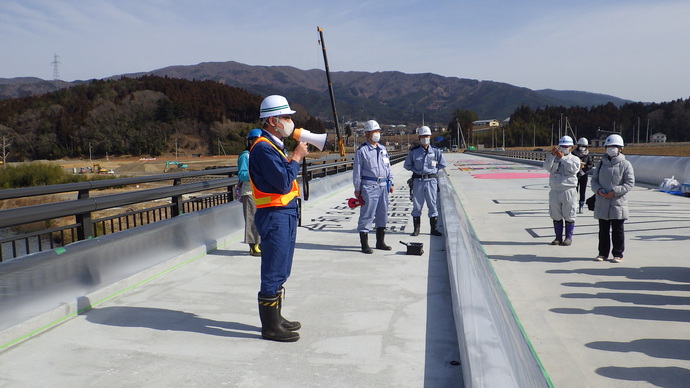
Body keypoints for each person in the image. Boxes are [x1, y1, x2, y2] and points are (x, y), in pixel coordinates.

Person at [249, 95, 308, 342]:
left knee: (282, 267)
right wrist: (296, 158)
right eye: (286, 117)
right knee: (273, 270)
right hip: (274, 214)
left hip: (284, 213)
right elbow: (283, 183)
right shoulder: (263, 148)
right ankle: (270, 327)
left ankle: (277, 318)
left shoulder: (273, 146)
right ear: (273, 120)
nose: (290, 121)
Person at [591, 134, 634, 263]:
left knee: (618, 230)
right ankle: (602, 253)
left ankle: (618, 253)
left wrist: (614, 192)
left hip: (617, 202)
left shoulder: (625, 164)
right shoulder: (600, 164)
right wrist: (598, 190)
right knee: (603, 230)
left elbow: (629, 183)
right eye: (609, 146)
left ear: (620, 148)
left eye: (614, 146)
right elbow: (594, 180)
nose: (611, 149)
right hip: (602, 200)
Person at [353, 119, 394, 254]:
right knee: (367, 214)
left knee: (382, 214)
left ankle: (380, 242)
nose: (377, 134)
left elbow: (388, 166)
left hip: (383, 185)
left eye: (378, 131)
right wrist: (357, 188)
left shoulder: (382, 149)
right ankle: (364, 244)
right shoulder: (362, 150)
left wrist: (391, 181)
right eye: (374, 131)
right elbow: (357, 171)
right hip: (369, 186)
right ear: (367, 133)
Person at [403, 125, 447, 236]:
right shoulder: (414, 151)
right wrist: (416, 170)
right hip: (418, 181)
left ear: (430, 137)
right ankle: (416, 229)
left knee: (432, 204)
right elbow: (407, 165)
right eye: (423, 136)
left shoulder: (435, 151)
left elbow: (442, 164)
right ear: (419, 137)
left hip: (431, 180)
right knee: (417, 205)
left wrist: (433, 170)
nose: (425, 138)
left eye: (427, 136)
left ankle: (434, 229)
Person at [543, 135, 581, 246]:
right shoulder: (554, 158)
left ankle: (568, 237)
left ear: (571, 148)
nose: (563, 148)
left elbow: (574, 168)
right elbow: (546, 167)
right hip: (555, 189)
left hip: (568, 189)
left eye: (566, 146)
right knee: (556, 214)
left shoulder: (574, 159)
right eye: (561, 146)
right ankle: (558, 237)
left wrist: (562, 158)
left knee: (569, 214)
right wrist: (552, 155)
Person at [237, 128, 262, 256]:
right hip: (249, 192)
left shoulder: (259, 155)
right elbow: (242, 175)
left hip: (260, 192)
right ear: (250, 141)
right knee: (251, 218)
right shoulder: (245, 156)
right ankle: (253, 245)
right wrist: (256, 173)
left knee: (260, 218)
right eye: (256, 140)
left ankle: (260, 243)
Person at [572, 137, 594, 213]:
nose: (582, 148)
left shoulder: (588, 155)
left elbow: (590, 164)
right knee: (575, 190)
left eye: (584, 146)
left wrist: (585, 168)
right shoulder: (574, 153)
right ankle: (574, 205)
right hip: (575, 174)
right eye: (581, 146)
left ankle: (581, 205)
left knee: (583, 190)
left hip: (584, 174)